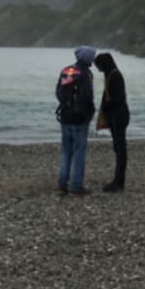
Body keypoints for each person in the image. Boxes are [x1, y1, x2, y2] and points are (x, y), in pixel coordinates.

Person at [55, 45, 96, 195]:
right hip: (80, 118)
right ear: (88, 58)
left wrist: (66, 105)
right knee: (79, 151)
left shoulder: (66, 71)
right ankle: (76, 185)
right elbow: (88, 97)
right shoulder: (86, 74)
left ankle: (62, 184)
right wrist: (91, 112)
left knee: (66, 151)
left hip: (65, 115)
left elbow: (58, 93)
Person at [94, 52, 129, 193]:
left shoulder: (115, 76)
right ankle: (118, 179)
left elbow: (118, 98)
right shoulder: (110, 75)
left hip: (119, 115)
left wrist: (107, 106)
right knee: (118, 148)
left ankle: (119, 181)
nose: (98, 69)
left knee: (120, 149)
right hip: (117, 115)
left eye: (99, 66)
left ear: (105, 64)